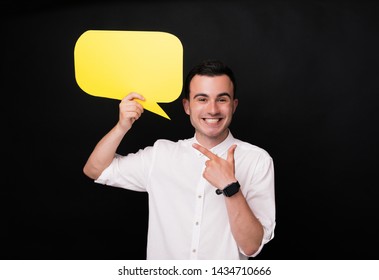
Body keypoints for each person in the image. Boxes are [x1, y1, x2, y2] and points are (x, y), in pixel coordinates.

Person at [83, 59, 276, 260]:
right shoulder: (161, 155)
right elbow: (95, 169)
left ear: (233, 105)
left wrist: (230, 187)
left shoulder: (257, 160)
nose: (212, 109)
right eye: (202, 99)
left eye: (222, 99)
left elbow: (252, 247)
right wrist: (122, 126)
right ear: (187, 106)